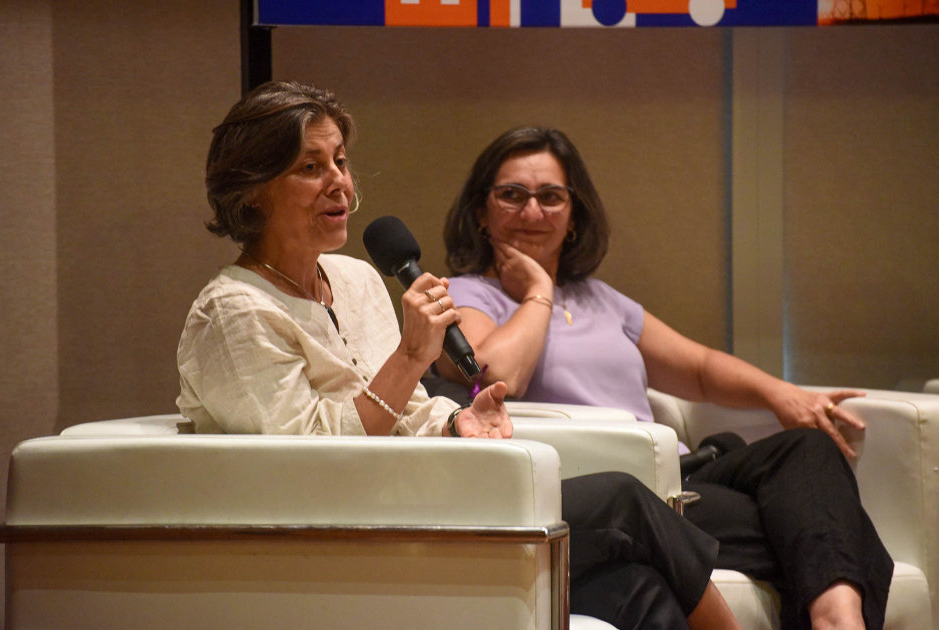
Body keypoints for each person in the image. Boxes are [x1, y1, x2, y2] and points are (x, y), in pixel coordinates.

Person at [176, 81, 741, 630]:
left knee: (639, 590)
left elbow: (409, 411)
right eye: (310, 167)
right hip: (342, 540)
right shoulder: (233, 312)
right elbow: (305, 466)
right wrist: (409, 357)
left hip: (419, 503)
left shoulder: (354, 279)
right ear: (251, 189)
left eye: (341, 162)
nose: (340, 183)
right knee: (622, 498)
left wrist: (455, 422)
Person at [439, 126, 894, 630]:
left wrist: (782, 394)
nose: (531, 212)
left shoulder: (600, 299)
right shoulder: (466, 294)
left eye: (550, 197)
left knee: (807, 451)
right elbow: (496, 373)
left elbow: (698, 370)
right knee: (822, 527)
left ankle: (838, 620)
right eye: (511, 195)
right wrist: (538, 291)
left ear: (573, 217)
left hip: (685, 477)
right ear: (480, 211)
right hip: (621, 495)